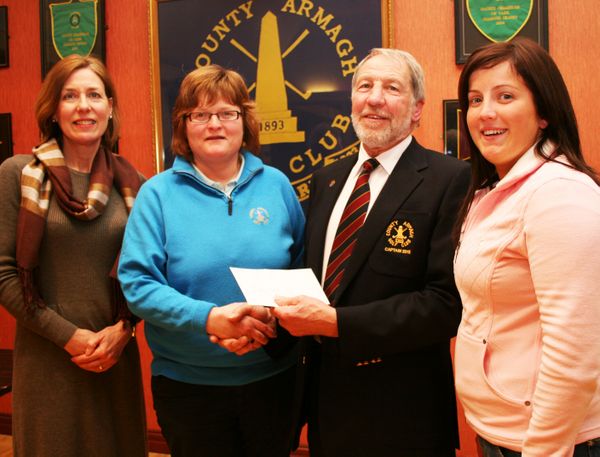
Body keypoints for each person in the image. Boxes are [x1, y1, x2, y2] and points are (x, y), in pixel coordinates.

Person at [268, 48, 470, 456]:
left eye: (391, 88)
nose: (374, 98)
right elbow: (318, 283)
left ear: (417, 109)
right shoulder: (327, 179)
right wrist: (269, 320)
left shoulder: (452, 179)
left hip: (404, 413)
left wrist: (337, 322)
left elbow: (445, 304)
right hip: (327, 407)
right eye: (365, 86)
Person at [117, 64, 305, 457]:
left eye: (226, 113)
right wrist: (209, 318)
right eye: (199, 115)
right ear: (183, 125)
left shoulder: (277, 186)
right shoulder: (157, 195)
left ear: (244, 121)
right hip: (189, 387)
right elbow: (137, 285)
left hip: (274, 379)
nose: (214, 124)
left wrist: (274, 318)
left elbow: (302, 269)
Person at [453, 38, 600, 457]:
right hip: (501, 434)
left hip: (549, 443)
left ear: (544, 113)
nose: (486, 113)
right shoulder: (496, 189)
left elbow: (574, 352)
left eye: (506, 96)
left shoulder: (558, 194)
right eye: (476, 99)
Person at [0, 55, 147, 456]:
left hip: (114, 359)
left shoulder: (136, 185)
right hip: (48, 363)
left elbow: (147, 274)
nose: (84, 105)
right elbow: (5, 277)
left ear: (110, 107)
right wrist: (70, 337)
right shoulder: (17, 174)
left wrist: (124, 331)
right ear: (53, 110)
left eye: (94, 95)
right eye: (70, 96)